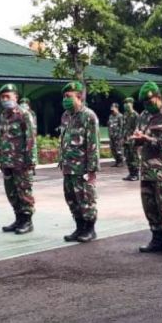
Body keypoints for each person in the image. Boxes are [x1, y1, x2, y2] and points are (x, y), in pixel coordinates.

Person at [132, 81, 162, 255]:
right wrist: (137, 139)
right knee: (149, 206)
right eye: (144, 102)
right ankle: (156, 238)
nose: (146, 105)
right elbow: (139, 135)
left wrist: (148, 139)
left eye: (149, 101)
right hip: (146, 169)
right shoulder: (143, 115)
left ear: (158, 97)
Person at [59, 81, 100, 243]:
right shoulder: (66, 116)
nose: (65, 99)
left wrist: (92, 170)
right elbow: (64, 140)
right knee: (71, 199)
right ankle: (79, 227)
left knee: (86, 199)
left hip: (82, 168)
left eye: (68, 96)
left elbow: (93, 144)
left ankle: (90, 229)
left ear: (79, 97)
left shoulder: (88, 116)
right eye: (64, 96)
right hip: (68, 167)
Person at [0, 84, 37, 235]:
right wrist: (0, 159)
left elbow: (31, 139)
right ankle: (18, 219)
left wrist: (30, 161)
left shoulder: (24, 114)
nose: (5, 99)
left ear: (16, 97)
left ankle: (27, 221)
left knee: (24, 192)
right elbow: (2, 138)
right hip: (7, 161)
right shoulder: (3, 115)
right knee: (11, 192)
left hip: (21, 163)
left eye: (8, 96)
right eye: (2, 97)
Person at [122, 96, 140, 181]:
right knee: (128, 157)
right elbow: (124, 127)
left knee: (134, 157)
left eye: (127, 103)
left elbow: (137, 128)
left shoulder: (135, 115)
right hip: (126, 139)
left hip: (133, 140)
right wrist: (123, 137)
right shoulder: (125, 115)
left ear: (131, 104)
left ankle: (136, 174)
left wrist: (133, 137)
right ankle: (131, 173)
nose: (126, 105)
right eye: (125, 103)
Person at [108, 102, 125, 167]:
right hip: (112, 136)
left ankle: (121, 161)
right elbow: (109, 125)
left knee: (119, 149)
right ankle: (117, 161)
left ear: (117, 108)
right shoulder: (111, 116)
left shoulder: (120, 116)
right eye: (112, 109)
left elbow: (122, 126)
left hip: (118, 136)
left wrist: (121, 136)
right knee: (113, 149)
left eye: (113, 109)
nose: (112, 110)